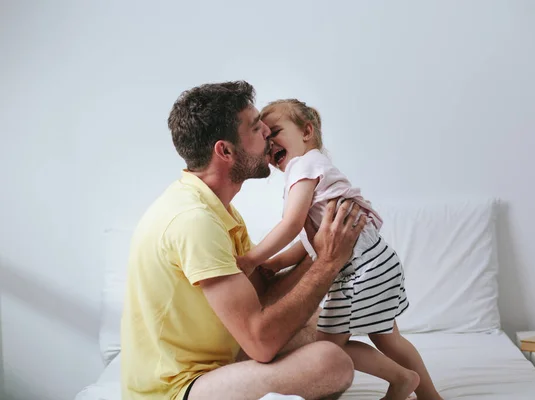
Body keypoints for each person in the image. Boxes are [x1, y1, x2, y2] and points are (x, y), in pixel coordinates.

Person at [120, 81, 369, 400]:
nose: (268, 131)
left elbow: (263, 297)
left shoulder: (221, 211)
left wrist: (317, 251)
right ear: (224, 150)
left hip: (222, 359)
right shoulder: (194, 221)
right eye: (256, 127)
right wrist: (328, 263)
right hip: (175, 389)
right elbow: (261, 345)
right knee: (330, 362)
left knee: (325, 324)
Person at [236, 99, 443, 400]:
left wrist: (252, 259)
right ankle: (430, 396)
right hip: (379, 261)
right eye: (265, 140)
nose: (269, 145)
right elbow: (310, 242)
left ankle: (402, 379)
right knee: (388, 338)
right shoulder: (315, 167)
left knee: (328, 348)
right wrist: (277, 262)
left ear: (306, 131)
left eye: (276, 132)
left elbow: (292, 224)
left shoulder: (303, 166)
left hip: (359, 269)